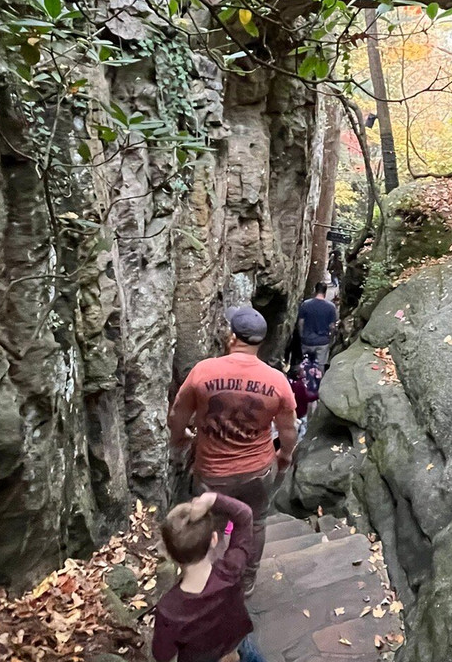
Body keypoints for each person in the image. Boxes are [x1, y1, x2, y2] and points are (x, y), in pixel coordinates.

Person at [169, 306, 297, 596]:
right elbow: (288, 430)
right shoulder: (277, 381)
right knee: (257, 521)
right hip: (258, 470)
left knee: (214, 527)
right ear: (259, 342)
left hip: (213, 473)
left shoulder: (204, 372)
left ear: (232, 337)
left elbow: (178, 413)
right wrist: (285, 456)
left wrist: (180, 437)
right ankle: (248, 579)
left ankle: (214, 581)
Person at [152, 492, 267, 662]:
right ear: (214, 539)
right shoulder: (231, 570)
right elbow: (244, 516)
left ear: (169, 554)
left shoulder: (168, 610)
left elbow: (162, 655)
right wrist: (212, 499)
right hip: (237, 648)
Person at [297, 282, 337, 369]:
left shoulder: (305, 304)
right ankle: (318, 381)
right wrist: (330, 340)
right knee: (320, 367)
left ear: (315, 291)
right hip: (322, 342)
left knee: (305, 365)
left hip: (307, 341)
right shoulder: (331, 307)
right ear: (325, 292)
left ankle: (305, 381)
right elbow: (332, 327)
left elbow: (300, 323)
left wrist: (302, 336)